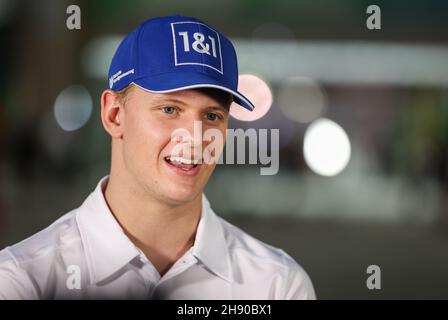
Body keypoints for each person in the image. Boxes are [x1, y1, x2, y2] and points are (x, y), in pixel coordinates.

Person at [0, 15, 315, 299]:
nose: (195, 137)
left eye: (213, 116)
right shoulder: (24, 282)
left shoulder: (277, 285)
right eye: (170, 109)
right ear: (114, 114)